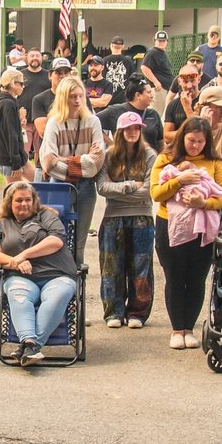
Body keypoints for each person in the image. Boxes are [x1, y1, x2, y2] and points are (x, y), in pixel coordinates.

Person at [150, 116, 222, 350]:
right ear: (182, 137)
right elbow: (156, 193)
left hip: (202, 229)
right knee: (174, 278)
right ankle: (177, 329)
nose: (195, 146)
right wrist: (179, 180)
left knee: (196, 279)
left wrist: (203, 202)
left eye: (200, 142)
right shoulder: (165, 159)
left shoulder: (215, 163)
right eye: (191, 140)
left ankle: (190, 328)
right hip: (170, 226)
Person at [0, 179, 81, 365]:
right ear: (10, 203)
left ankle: (30, 344)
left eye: (28, 200)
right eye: (19, 200)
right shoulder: (3, 224)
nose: (24, 204)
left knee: (57, 295)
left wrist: (23, 255)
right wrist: (15, 263)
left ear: (33, 201)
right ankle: (31, 346)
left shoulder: (46, 216)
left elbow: (56, 241)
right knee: (18, 295)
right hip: (20, 276)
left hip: (57, 274)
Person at [96, 112, 157, 329]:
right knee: (111, 266)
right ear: (119, 131)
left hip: (142, 216)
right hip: (113, 217)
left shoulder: (149, 155)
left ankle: (137, 313)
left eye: (137, 128)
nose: (133, 133)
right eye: (128, 129)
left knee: (141, 267)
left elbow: (150, 190)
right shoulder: (109, 155)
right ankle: (114, 311)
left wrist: (118, 189)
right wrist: (130, 185)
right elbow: (102, 188)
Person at [39, 76, 105, 267]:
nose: (77, 101)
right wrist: (81, 163)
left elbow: (97, 162)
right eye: (72, 97)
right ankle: (58, 274)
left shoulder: (93, 122)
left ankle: (76, 277)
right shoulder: (54, 124)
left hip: (85, 187)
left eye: (80, 96)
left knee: (80, 241)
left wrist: (65, 161)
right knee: (57, 234)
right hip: (59, 186)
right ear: (63, 98)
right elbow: (48, 162)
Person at [0, 68, 29, 178]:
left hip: (9, 158)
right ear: (13, 83)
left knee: (35, 184)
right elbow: (11, 135)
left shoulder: (3, 101)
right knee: (16, 193)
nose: (23, 87)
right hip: (9, 161)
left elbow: (8, 130)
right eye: (21, 84)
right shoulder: (7, 103)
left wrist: (18, 120)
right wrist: (16, 163)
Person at [31, 56, 74, 143]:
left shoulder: (79, 97)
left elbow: (88, 126)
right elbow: (43, 132)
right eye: (58, 73)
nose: (62, 76)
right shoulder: (39, 99)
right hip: (50, 152)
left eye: (66, 73)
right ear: (50, 75)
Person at [161, 62, 203, 141]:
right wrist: (188, 133)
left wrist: (187, 108)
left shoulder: (205, 101)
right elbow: (166, 136)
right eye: (185, 82)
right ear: (179, 82)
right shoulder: (173, 105)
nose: (189, 86)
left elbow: (199, 133)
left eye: (193, 81)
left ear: (199, 80)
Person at [17, 46, 54, 116]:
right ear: (27, 58)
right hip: (24, 119)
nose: (35, 58)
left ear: (42, 58)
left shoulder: (50, 75)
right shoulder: (19, 75)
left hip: (44, 117)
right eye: (32, 56)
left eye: (37, 56)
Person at [141, 29, 175, 98]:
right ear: (155, 41)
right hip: (159, 89)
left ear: (167, 41)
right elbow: (144, 67)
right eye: (159, 41)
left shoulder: (162, 52)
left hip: (166, 88)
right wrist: (156, 82)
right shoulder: (153, 52)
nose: (161, 42)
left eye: (163, 41)